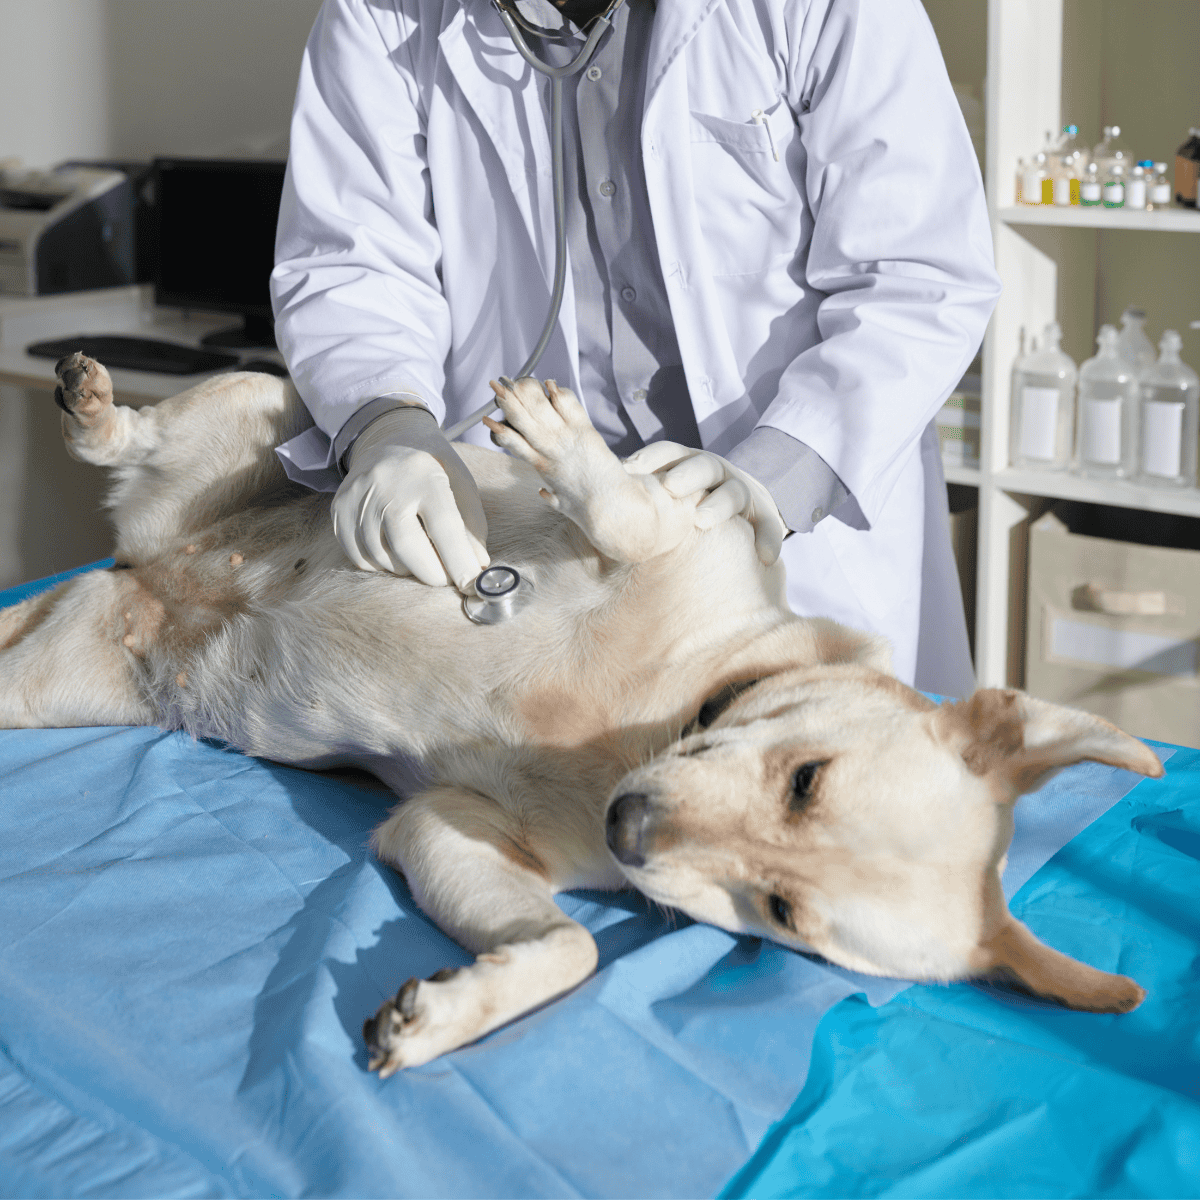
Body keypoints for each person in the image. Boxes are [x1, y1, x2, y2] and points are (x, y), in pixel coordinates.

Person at [270, 0, 1001, 695]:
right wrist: (388, 426)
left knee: (804, 789)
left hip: (792, 523)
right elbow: (352, 261)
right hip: (543, 533)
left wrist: (769, 480)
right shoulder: (382, 14)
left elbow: (915, 275)